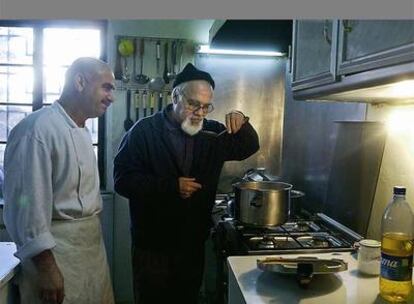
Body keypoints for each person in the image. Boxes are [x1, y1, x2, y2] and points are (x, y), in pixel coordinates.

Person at [113, 63, 260, 304]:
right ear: (175, 97)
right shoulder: (144, 132)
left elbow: (248, 146)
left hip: (191, 243)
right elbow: (123, 180)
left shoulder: (211, 133)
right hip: (152, 245)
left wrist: (242, 121)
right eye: (193, 104)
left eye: (206, 107)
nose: (200, 113)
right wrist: (171, 187)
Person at [3, 57, 116, 304]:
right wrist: (47, 269)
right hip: (56, 255)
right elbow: (27, 209)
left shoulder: (83, 131)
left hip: (90, 251)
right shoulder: (36, 130)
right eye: (106, 87)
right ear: (80, 82)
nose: (111, 97)